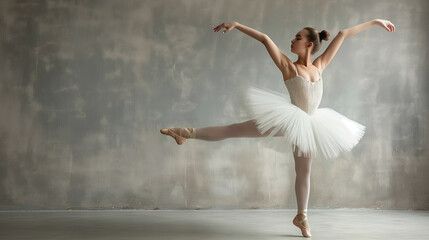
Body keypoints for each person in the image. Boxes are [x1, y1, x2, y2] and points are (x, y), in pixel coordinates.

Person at [160, 19, 395, 238]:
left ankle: (301, 217)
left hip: (311, 125)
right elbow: (264, 38)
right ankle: (185, 132)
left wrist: (375, 22)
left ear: (309, 44)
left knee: (304, 172)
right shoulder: (288, 67)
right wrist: (237, 25)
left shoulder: (320, 66)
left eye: (298, 37)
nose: (292, 40)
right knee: (234, 129)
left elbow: (343, 34)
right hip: (288, 119)